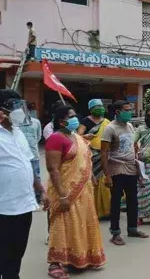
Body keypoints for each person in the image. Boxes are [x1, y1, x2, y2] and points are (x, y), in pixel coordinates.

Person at [45, 105, 106, 278]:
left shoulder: (75, 137)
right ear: (62, 121)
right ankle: (55, 263)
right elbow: (53, 169)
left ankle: (78, 257)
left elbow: (84, 159)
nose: (75, 119)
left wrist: (92, 177)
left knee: (81, 223)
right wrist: (63, 195)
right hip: (64, 190)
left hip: (83, 190)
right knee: (62, 224)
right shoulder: (55, 139)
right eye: (71, 117)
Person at [0, 89, 47, 279]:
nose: (19, 111)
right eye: (14, 107)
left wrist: (42, 191)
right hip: (4, 207)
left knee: (17, 251)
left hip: (25, 205)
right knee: (4, 253)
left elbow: (28, 164)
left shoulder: (18, 132)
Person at [101, 100, 149, 246]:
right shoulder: (110, 128)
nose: (130, 112)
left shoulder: (129, 126)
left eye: (130, 109)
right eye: (126, 110)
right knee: (116, 201)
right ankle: (115, 232)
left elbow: (132, 144)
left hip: (131, 167)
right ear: (117, 112)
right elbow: (104, 152)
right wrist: (107, 174)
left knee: (133, 200)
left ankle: (132, 228)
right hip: (116, 168)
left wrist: (137, 159)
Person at [77, 99, 111, 219]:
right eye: (97, 107)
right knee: (92, 182)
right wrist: (86, 136)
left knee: (104, 182)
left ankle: (106, 210)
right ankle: (93, 211)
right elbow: (78, 136)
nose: (100, 108)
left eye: (101, 106)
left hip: (105, 154)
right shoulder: (85, 121)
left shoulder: (107, 122)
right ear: (91, 109)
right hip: (91, 154)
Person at [18, 108, 42, 203]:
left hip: (33, 154)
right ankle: (24, 195)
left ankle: (38, 196)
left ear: (28, 111)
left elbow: (38, 136)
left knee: (36, 175)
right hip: (21, 154)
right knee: (22, 175)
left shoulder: (36, 122)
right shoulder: (16, 124)